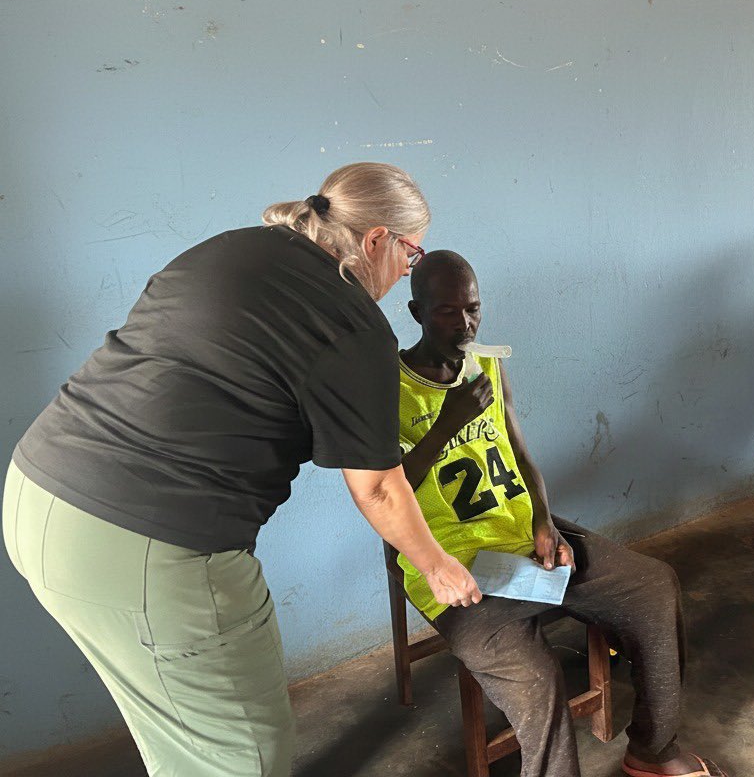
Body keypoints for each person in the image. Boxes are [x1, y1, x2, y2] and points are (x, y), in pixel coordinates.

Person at [2, 163, 484, 776]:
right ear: (376, 240)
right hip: (148, 546)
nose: (404, 271)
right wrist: (438, 567)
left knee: (180, 737)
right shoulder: (352, 324)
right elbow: (380, 489)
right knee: (242, 754)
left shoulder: (231, 249)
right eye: (410, 254)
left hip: (40, 495)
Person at [395, 250, 727, 777]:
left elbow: (520, 452)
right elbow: (389, 492)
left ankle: (653, 750)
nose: (465, 324)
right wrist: (447, 424)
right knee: (537, 678)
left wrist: (544, 521)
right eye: (446, 311)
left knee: (653, 585)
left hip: (524, 534)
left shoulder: (486, 364)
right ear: (417, 312)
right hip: (450, 563)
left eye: (473, 309)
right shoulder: (390, 389)